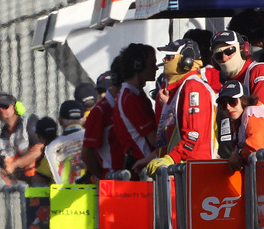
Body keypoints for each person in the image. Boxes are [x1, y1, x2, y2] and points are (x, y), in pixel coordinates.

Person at [146, 40, 217, 176]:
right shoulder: (182, 87)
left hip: (194, 172)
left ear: (187, 61)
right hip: (183, 170)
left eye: (170, 57)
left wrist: (170, 158)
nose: (164, 60)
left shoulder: (193, 87)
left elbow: (193, 135)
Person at [209, 29, 264, 153]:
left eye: (229, 51)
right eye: (218, 55)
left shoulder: (259, 71)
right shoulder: (227, 84)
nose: (224, 58)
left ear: (243, 50)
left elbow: (262, 119)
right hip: (246, 153)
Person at [112, 42, 160, 172]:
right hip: (145, 166)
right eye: (152, 63)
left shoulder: (130, 94)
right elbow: (155, 140)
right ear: (138, 65)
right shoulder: (131, 98)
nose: (156, 68)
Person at [218, 80, 264, 170]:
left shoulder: (252, 113)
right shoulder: (242, 117)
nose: (228, 107)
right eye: (223, 105)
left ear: (244, 99)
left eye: (232, 101)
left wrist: (238, 155)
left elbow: (257, 148)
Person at [82, 70, 120, 181]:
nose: (103, 95)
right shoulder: (99, 112)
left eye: (106, 90)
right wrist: (103, 175)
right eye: (100, 91)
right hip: (111, 179)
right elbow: (87, 153)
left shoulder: (128, 104)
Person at [43, 100, 88, 184]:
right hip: (96, 194)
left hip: (65, 195)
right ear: (84, 119)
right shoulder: (92, 137)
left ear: (59, 120)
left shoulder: (50, 147)